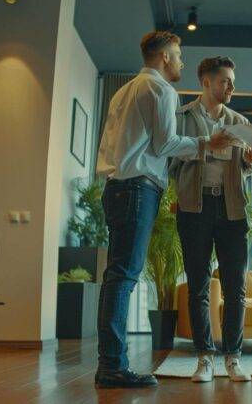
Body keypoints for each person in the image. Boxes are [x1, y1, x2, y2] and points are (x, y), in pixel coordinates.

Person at [94, 31, 232, 389]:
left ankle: (110, 363)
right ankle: (112, 366)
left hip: (116, 187)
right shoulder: (161, 90)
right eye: (179, 56)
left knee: (116, 277)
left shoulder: (123, 89)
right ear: (165, 57)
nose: (182, 63)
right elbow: (166, 143)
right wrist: (207, 143)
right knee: (122, 278)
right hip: (138, 187)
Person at [170, 56, 252, 383]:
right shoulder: (181, 117)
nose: (232, 87)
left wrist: (251, 163)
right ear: (206, 82)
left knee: (236, 288)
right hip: (194, 206)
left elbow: (246, 169)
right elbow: (169, 160)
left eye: (232, 81)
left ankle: (233, 358)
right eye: (225, 81)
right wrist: (207, 147)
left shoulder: (240, 121)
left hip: (232, 208)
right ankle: (204, 357)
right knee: (198, 286)